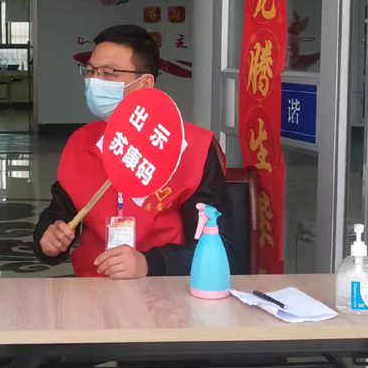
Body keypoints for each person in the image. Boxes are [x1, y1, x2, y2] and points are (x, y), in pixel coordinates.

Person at [33, 24, 233, 279]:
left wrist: (149, 263)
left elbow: (219, 245)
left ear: (145, 83)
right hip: (94, 288)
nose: (95, 82)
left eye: (109, 73)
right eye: (90, 71)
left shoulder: (192, 147)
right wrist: (48, 238)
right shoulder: (82, 143)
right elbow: (58, 214)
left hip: (166, 287)